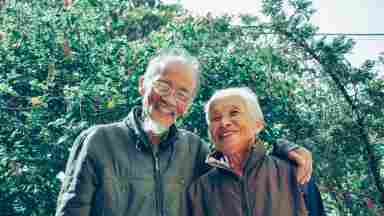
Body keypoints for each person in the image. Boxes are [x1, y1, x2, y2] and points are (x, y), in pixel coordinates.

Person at [55, 48, 313, 216]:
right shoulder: (99, 140)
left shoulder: (196, 150)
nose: (170, 100)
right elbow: (71, 210)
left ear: (188, 104)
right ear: (143, 85)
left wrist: (285, 148)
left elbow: (241, 165)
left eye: (182, 93)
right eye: (163, 86)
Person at [187, 87, 310, 216]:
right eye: (216, 118)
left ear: (258, 125)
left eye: (234, 113)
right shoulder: (199, 190)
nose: (224, 123)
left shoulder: (294, 171)